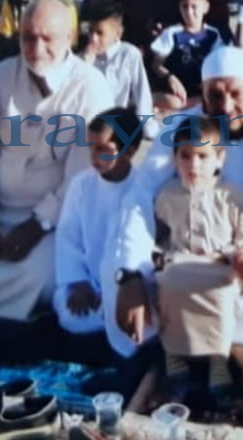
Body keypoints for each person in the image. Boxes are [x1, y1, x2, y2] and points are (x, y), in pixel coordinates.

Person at [114, 46, 243, 397]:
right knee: (121, 286)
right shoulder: (179, 128)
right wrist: (130, 274)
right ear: (203, 94)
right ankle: (220, 348)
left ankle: (202, 346)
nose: (226, 106)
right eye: (215, 95)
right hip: (186, 260)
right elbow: (140, 199)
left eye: (236, 94)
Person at [0, 0, 112, 321]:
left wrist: (37, 225)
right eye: (28, 37)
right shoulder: (0, 76)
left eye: (47, 38)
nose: (37, 49)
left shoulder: (91, 87)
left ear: (70, 38)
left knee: (43, 281)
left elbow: (82, 175)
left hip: (55, 218)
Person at [154, 117, 243, 398]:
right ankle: (174, 354)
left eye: (203, 156)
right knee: (165, 283)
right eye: (186, 156)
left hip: (220, 266)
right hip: (181, 262)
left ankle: (218, 360)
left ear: (219, 159)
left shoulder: (233, 196)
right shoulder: (166, 195)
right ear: (175, 157)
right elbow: (160, 236)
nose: (194, 165)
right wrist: (162, 256)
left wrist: (229, 254)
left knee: (223, 292)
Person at [54, 108, 151, 360]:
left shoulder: (143, 188)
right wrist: (78, 281)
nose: (93, 157)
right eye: (91, 148)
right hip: (89, 282)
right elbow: (68, 235)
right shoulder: (82, 185)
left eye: (102, 149)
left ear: (129, 151)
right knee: (70, 314)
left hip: (125, 284)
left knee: (141, 318)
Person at [80, 0, 155, 127]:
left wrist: (147, 127)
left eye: (100, 33)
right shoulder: (82, 59)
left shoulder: (128, 55)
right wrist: (84, 67)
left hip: (117, 124)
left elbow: (142, 95)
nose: (93, 38)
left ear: (118, 33)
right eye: (91, 31)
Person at [149, 0, 224, 112]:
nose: (189, 12)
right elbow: (156, 64)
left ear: (205, 8)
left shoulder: (213, 34)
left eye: (194, 7)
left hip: (201, 87)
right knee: (174, 102)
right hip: (177, 88)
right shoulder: (173, 33)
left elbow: (218, 61)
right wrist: (170, 78)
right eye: (185, 7)